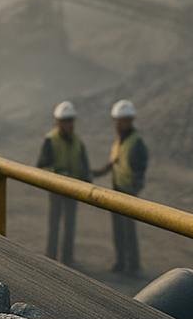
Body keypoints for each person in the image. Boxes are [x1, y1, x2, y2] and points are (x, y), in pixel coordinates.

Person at [95, 98, 148, 276]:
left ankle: (132, 265)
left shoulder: (136, 142)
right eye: (118, 120)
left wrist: (136, 186)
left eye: (123, 120)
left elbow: (141, 166)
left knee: (128, 231)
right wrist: (95, 173)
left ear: (130, 121)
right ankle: (121, 262)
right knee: (118, 230)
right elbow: (113, 163)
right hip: (117, 190)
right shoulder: (119, 142)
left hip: (128, 192)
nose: (120, 124)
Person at [35, 100, 91, 265]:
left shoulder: (78, 142)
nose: (69, 124)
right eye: (66, 121)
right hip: (57, 190)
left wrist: (86, 185)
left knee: (70, 227)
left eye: (71, 121)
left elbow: (83, 165)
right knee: (54, 225)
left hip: (73, 191)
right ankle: (51, 258)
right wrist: (58, 175)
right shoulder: (50, 140)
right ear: (58, 122)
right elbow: (42, 166)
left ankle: (67, 260)